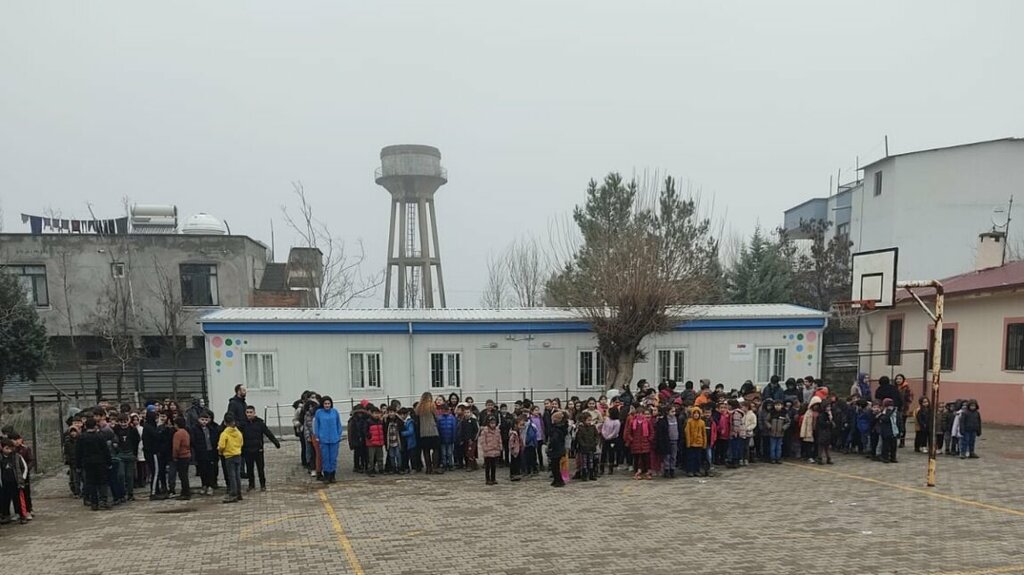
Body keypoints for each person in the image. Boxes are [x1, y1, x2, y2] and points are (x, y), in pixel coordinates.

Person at [76, 418, 113, 511]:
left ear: (85, 426)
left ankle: (94, 503)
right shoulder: (99, 436)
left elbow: (78, 452)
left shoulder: (82, 437)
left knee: (91, 482)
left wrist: (78, 465)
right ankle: (103, 500)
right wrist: (109, 462)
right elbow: (106, 450)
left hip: (87, 463)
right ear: (95, 426)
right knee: (102, 482)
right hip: (100, 462)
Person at [242, 405, 281, 490]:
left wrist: (275, 442)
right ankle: (251, 484)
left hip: (258, 449)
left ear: (254, 413)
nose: (249, 414)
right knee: (249, 469)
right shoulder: (243, 424)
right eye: (247, 412)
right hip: (247, 449)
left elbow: (268, 433)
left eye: (251, 412)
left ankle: (262, 485)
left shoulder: (259, 423)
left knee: (260, 468)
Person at [313, 396, 343, 483]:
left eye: (328, 403)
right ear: (322, 404)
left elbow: (338, 424)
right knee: (325, 458)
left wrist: (338, 435)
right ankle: (326, 476)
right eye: (325, 403)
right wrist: (317, 436)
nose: (327, 405)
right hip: (323, 439)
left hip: (334, 439)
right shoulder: (319, 413)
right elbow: (317, 425)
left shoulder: (335, 412)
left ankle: (332, 476)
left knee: (333, 458)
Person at [190, 411, 221, 495]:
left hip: (211, 452)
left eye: (206, 420)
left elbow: (215, 439)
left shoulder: (211, 429)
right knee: (202, 470)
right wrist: (198, 448)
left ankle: (210, 486)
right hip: (201, 453)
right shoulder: (194, 429)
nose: (204, 422)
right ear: (198, 419)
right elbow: (193, 440)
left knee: (210, 470)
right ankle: (204, 485)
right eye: (202, 420)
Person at [0, 439, 30, 523]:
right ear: (2, 448)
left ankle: (22, 515)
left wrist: (22, 478)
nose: (9, 450)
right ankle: (6, 515)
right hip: (5, 483)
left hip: (16, 482)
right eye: (7, 448)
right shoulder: (1, 458)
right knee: (5, 500)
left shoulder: (17, 456)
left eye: (10, 448)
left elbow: (24, 467)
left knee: (19, 500)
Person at [113, 414, 140, 502]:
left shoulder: (132, 430)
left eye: (125, 422)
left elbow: (136, 441)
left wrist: (135, 454)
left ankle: (130, 493)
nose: (123, 424)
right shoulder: (116, 429)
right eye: (121, 422)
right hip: (120, 454)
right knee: (121, 475)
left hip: (130, 454)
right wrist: (117, 448)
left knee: (129, 475)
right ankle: (122, 493)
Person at [218, 413, 244, 503]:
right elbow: (241, 443)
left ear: (225, 422)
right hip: (238, 455)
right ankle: (239, 493)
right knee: (237, 475)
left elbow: (221, 445)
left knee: (231, 476)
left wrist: (220, 451)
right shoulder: (238, 432)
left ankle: (233, 494)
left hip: (229, 456)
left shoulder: (224, 433)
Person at [415, 392, 442, 474]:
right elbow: (436, 417)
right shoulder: (432, 406)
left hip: (423, 432)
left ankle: (428, 468)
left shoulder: (419, 408)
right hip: (433, 431)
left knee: (426, 451)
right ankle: (435, 467)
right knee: (436, 449)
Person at [625, 406, 653, 480]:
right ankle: (637, 472)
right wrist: (632, 439)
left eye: (641, 413)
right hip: (635, 444)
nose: (640, 415)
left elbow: (652, 432)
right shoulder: (632, 422)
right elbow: (628, 432)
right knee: (636, 459)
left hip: (645, 443)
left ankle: (647, 473)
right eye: (638, 413)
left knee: (646, 459)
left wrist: (649, 439)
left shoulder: (647, 422)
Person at [171, 417, 193, 500]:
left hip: (181, 456)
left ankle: (185, 493)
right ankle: (185, 491)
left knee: (182, 475)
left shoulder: (178, 434)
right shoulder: (186, 432)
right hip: (187, 455)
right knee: (185, 475)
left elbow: (176, 447)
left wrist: (174, 456)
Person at [654, 406, 679, 479]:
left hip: (675, 439)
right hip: (667, 440)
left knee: (673, 456)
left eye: (674, 411)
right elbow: (661, 432)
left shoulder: (677, 419)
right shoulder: (663, 420)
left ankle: (672, 469)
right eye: (672, 411)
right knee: (667, 456)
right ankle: (666, 470)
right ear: (667, 412)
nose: (674, 413)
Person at [682, 407, 706, 477]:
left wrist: (704, 443)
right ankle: (690, 471)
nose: (696, 415)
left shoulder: (702, 422)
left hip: (699, 443)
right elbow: (687, 433)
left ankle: (697, 470)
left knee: (698, 458)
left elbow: (704, 434)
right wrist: (688, 443)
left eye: (697, 413)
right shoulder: (689, 422)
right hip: (691, 443)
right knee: (690, 458)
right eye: (694, 413)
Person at [575, 412, 599, 481]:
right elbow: (579, 438)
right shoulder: (580, 428)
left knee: (591, 461)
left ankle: (591, 474)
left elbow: (596, 436)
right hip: (583, 448)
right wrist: (583, 445)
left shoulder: (593, 427)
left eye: (590, 420)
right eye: (588, 420)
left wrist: (595, 443)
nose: (589, 422)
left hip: (591, 447)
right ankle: (584, 475)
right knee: (584, 462)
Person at [547, 411, 568, 487]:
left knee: (555, 466)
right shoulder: (561, 427)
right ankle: (556, 480)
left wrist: (550, 446)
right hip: (560, 448)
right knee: (555, 466)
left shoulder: (556, 429)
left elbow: (554, 440)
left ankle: (559, 480)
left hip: (556, 450)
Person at [479, 416, 502, 485]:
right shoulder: (485, 431)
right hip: (488, 451)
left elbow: (499, 439)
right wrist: (485, 448)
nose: (493, 425)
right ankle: (488, 479)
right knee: (487, 466)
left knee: (493, 466)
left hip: (495, 450)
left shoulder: (497, 431)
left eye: (494, 423)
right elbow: (482, 441)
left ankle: (493, 478)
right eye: (491, 423)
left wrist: (500, 446)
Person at [365, 407, 385, 476]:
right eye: (375, 413)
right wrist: (369, 437)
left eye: (378, 413)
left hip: (379, 442)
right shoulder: (368, 421)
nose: (376, 415)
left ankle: (381, 469)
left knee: (380, 457)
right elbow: (365, 431)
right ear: (372, 414)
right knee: (371, 458)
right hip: (371, 443)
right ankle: (370, 470)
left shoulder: (381, 421)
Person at [878, 398, 900, 463]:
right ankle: (885, 457)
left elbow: (899, 421)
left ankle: (893, 457)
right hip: (886, 432)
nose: (890, 408)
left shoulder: (896, 412)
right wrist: (889, 412)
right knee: (886, 446)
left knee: (894, 446)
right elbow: (885, 419)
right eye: (888, 406)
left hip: (894, 431)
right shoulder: (883, 412)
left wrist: (901, 429)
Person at [437, 404, 458, 471]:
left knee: (449, 453)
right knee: (443, 453)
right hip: (442, 439)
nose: (445, 412)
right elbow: (438, 429)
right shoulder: (439, 418)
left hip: (450, 439)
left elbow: (454, 429)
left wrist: (454, 438)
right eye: (444, 410)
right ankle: (444, 464)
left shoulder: (452, 418)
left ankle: (450, 464)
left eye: (446, 410)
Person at [508, 415, 523, 481]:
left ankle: (517, 474)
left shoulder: (518, 432)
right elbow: (511, 442)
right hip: (515, 450)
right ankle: (513, 474)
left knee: (518, 462)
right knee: (514, 462)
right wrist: (512, 448)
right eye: (520, 425)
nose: (522, 426)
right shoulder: (513, 433)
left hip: (518, 449)